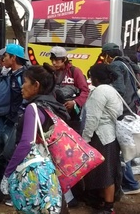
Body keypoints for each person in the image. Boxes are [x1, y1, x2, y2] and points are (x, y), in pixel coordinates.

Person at [1, 63, 69, 214]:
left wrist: (8, 173)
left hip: (35, 173)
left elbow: (26, 143)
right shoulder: (52, 105)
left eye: (25, 82)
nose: (21, 87)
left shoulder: (33, 108)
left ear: (36, 85)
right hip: (50, 168)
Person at [50, 46, 90, 207]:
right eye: (52, 60)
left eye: (57, 60)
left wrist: (75, 102)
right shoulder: (51, 72)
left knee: (73, 156)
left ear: (64, 60)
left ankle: (78, 192)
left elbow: (85, 91)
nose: (54, 63)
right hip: (57, 120)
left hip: (73, 120)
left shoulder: (75, 72)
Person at [82, 63, 123, 214]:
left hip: (102, 137)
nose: (90, 78)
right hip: (111, 136)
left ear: (96, 78)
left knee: (105, 173)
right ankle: (103, 201)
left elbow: (92, 119)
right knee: (107, 170)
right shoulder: (112, 90)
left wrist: (84, 139)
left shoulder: (100, 91)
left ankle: (108, 206)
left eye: (91, 76)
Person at [101, 42, 140, 195]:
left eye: (105, 56)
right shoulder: (127, 62)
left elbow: (119, 90)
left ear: (109, 55)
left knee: (121, 149)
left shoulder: (115, 65)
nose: (104, 59)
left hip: (122, 111)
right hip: (132, 105)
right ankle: (130, 181)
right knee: (126, 146)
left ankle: (130, 184)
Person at [2, 44, 28, 123]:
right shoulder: (9, 74)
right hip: (8, 118)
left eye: (5, 56)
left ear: (13, 58)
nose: (3, 59)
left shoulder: (25, 76)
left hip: (17, 120)